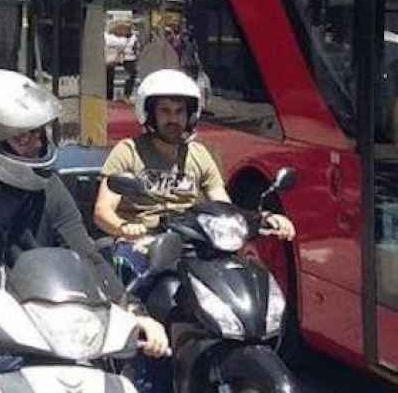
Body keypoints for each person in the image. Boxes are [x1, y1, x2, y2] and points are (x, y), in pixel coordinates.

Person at [0, 69, 169, 393]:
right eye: (21, 136)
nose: (34, 144)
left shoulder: (48, 189)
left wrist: (132, 311)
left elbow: (86, 254)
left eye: (37, 134)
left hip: (42, 335)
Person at [93, 69, 294, 283]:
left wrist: (263, 219)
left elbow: (223, 206)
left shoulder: (199, 155)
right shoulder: (128, 152)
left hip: (191, 243)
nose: (173, 119)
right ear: (150, 114)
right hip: (141, 244)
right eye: (165, 111)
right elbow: (102, 211)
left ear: (190, 116)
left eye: (179, 112)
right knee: (132, 295)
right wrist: (126, 228)